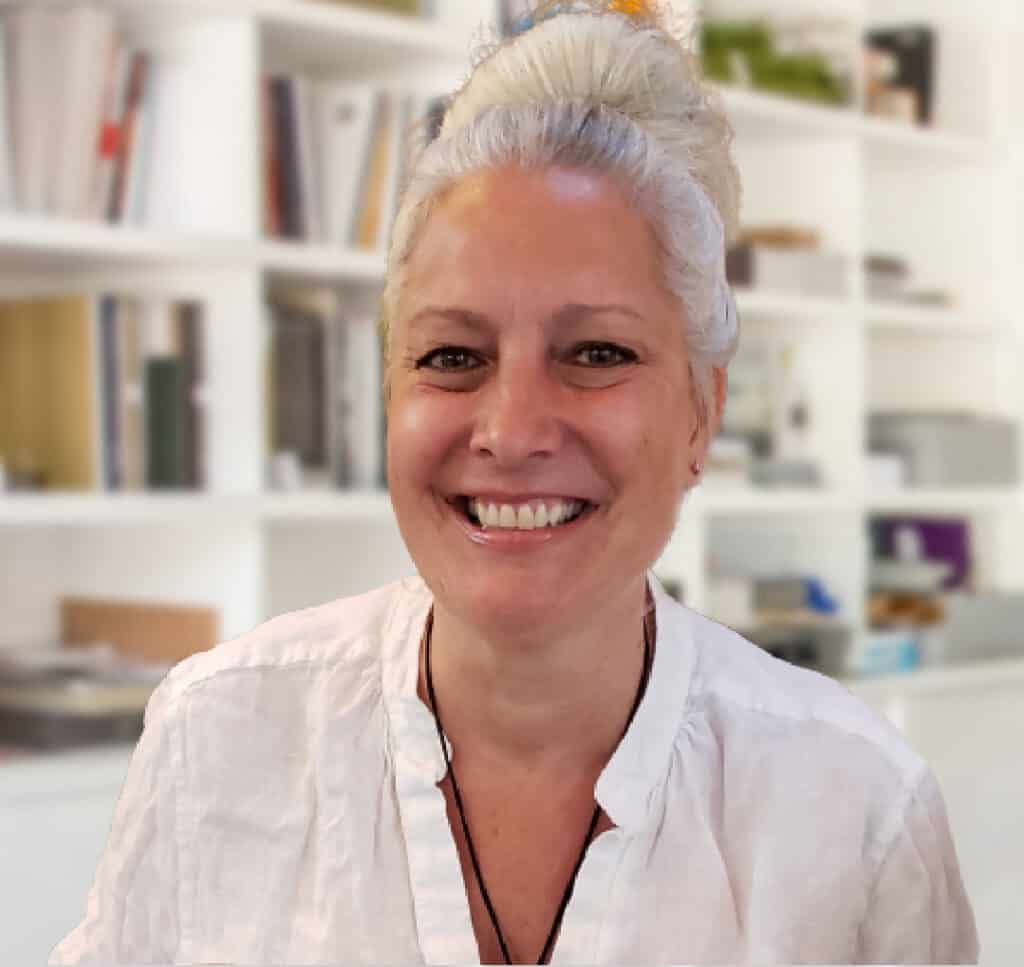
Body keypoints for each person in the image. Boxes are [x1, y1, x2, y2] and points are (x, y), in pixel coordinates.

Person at [51, 2, 978, 963]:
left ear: (702, 411)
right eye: (453, 356)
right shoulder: (220, 737)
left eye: (597, 351)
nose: (513, 430)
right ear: (387, 395)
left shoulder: (858, 815)